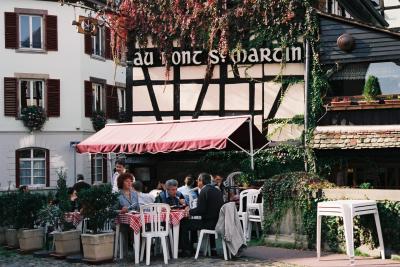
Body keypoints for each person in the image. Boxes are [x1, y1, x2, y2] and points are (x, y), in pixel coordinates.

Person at [180, 173, 224, 256]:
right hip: (218, 222)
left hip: (209, 224)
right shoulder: (217, 190)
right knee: (194, 221)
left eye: (198, 180)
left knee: (184, 223)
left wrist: (189, 211)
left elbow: (201, 210)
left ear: (201, 181)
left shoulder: (204, 191)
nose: (197, 182)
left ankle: (186, 250)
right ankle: (212, 249)